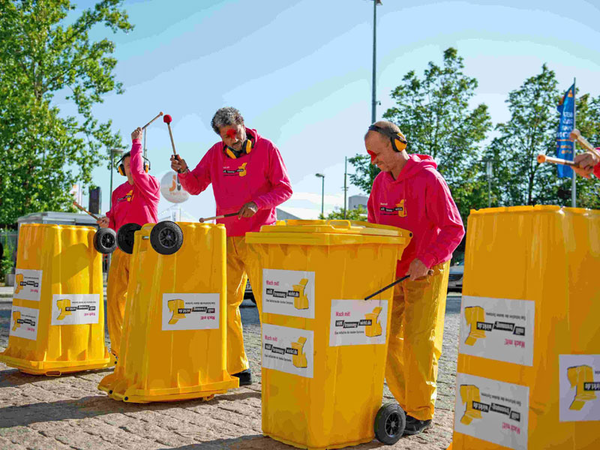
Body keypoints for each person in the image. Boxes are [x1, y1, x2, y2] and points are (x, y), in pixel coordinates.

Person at [170, 107, 293, 386]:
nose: (233, 140)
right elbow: (196, 186)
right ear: (220, 137)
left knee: (270, 305)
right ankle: (239, 368)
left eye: (235, 133)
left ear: (242, 124)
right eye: (227, 137)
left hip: (260, 239)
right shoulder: (215, 153)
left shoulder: (267, 148)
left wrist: (258, 203)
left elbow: (285, 188)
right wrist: (185, 170)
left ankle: (280, 370)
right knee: (225, 304)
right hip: (226, 238)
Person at [365, 120, 465, 435]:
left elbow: (454, 229)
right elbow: (373, 226)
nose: (374, 161)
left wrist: (427, 258)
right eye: (370, 155)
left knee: (420, 342)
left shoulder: (429, 179)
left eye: (377, 153)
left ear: (398, 144)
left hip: (427, 270)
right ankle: (408, 401)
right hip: (394, 272)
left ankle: (421, 411)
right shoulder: (380, 183)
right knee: (382, 339)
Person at [98, 127, 160, 360]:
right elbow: (113, 220)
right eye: (126, 165)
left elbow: (138, 167)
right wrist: (107, 222)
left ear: (143, 166)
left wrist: (136, 142)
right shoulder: (118, 192)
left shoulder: (150, 185)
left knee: (141, 301)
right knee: (114, 301)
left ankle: (143, 349)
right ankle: (119, 351)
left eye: (134, 163)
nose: (131, 168)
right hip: (122, 250)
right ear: (121, 170)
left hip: (145, 249)